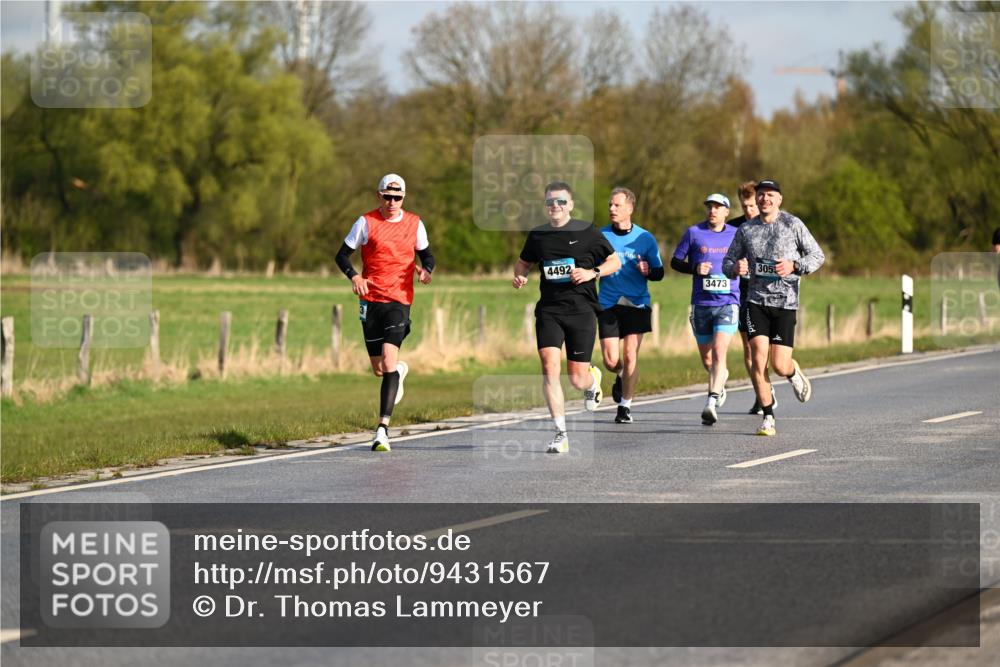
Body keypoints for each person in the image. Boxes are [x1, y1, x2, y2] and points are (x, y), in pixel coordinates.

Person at [513, 181, 621, 453]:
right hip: (550, 310)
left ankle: (592, 380)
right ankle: (561, 433)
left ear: (570, 205)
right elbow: (524, 262)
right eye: (550, 202)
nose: (555, 206)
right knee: (549, 366)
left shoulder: (587, 232)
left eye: (561, 201)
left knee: (576, 378)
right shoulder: (538, 235)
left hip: (582, 311)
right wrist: (520, 275)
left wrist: (592, 273)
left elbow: (615, 261)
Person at [335, 174, 435, 452]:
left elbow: (428, 256)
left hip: (399, 300)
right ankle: (399, 373)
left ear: (404, 197)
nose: (392, 202)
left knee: (389, 360)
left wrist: (426, 272)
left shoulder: (415, 223)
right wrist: (354, 276)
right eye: (387, 197)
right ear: (379, 196)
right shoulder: (365, 222)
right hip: (371, 301)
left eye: (397, 197)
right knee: (380, 370)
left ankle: (382, 430)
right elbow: (341, 255)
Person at [722, 180, 825, 436]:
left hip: (785, 303)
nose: (764, 199)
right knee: (758, 359)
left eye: (770, 195)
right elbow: (727, 261)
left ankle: (792, 372)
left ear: (779, 199)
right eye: (761, 195)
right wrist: (734, 268)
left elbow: (817, 255)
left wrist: (794, 266)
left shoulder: (793, 224)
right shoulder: (746, 230)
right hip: (756, 302)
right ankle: (768, 416)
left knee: (779, 364)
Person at [671, 193, 741, 425]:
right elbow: (675, 261)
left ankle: (711, 402)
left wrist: (743, 267)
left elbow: (747, 260)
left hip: (728, 302)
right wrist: (695, 268)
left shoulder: (736, 234)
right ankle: (720, 382)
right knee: (709, 360)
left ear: (726, 212)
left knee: (720, 352)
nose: (712, 210)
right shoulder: (694, 233)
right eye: (709, 206)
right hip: (701, 303)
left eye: (718, 207)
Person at [597, 187, 664, 424]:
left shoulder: (644, 238)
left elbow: (659, 272)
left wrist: (648, 270)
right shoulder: (600, 235)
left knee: (630, 353)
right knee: (610, 361)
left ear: (630, 208)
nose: (612, 209)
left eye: (617, 205)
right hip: (608, 303)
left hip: (637, 303)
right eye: (610, 205)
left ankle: (625, 406)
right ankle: (620, 375)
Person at [729, 181, 776, 415]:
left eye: (751, 205)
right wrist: (734, 266)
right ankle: (762, 394)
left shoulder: (773, 224)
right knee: (749, 350)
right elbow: (726, 260)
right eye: (744, 206)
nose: (748, 211)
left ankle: (768, 386)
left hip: (769, 294)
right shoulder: (733, 227)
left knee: (768, 350)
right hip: (743, 294)